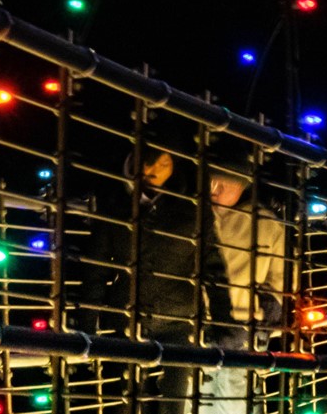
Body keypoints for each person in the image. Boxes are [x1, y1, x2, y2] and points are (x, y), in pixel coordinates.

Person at [78, 127, 233, 414]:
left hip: (177, 319)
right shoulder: (114, 206)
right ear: (133, 159)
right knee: (123, 401)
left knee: (172, 403)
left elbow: (214, 269)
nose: (155, 170)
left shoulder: (191, 210)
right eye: (150, 161)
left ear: (175, 165)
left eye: (165, 162)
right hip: (124, 318)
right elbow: (95, 270)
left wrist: (225, 323)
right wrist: (86, 328)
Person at [202, 152, 288, 414]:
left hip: (244, 324)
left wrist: (268, 307)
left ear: (242, 188)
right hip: (199, 325)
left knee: (235, 399)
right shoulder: (193, 215)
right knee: (199, 399)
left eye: (225, 185)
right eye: (212, 183)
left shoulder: (266, 224)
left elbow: (282, 276)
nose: (215, 192)